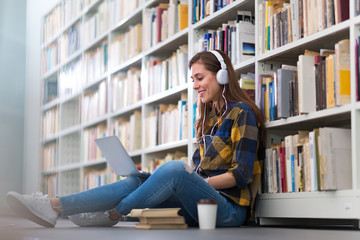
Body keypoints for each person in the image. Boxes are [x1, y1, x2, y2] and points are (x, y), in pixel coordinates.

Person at [6, 50, 266, 228]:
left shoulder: (242, 113)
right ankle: (53, 206)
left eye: (200, 78)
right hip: (199, 207)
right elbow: (197, 172)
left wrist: (196, 182)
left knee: (175, 170)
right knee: (134, 179)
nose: (196, 85)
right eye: (193, 80)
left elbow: (241, 174)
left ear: (221, 76)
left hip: (230, 210)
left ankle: (113, 213)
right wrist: (180, 180)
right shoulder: (207, 120)